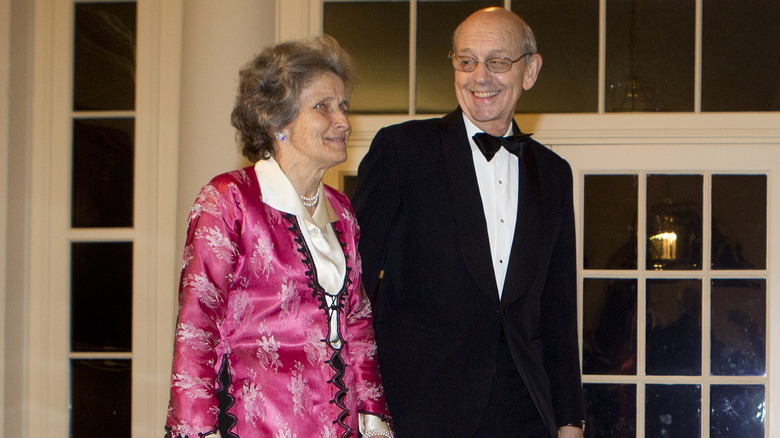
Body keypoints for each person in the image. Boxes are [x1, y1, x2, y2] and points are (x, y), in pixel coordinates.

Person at [352, 7, 585, 438]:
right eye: (466, 61)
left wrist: (570, 420)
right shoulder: (402, 151)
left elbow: (558, 305)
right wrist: (363, 402)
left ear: (530, 71)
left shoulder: (553, 173)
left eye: (497, 61)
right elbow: (355, 287)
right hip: (419, 408)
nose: (480, 76)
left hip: (525, 413)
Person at [164, 36, 393, 438]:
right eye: (323, 107)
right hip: (254, 424)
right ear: (276, 121)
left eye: (343, 106)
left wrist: (373, 416)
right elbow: (197, 329)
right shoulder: (228, 199)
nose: (343, 121)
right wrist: (196, 431)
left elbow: (357, 323)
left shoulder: (341, 211)